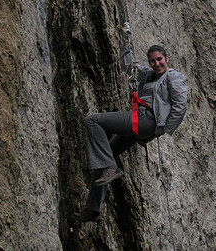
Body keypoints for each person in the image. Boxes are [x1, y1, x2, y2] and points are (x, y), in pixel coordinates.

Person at [72, 42, 188, 222]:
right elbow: (129, 67)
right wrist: (125, 46)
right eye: (152, 61)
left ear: (167, 59)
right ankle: (93, 209)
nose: (156, 64)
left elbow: (180, 108)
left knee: (93, 121)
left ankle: (110, 167)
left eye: (159, 59)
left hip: (145, 120)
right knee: (105, 156)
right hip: (141, 122)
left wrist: (160, 131)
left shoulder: (174, 78)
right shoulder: (149, 75)